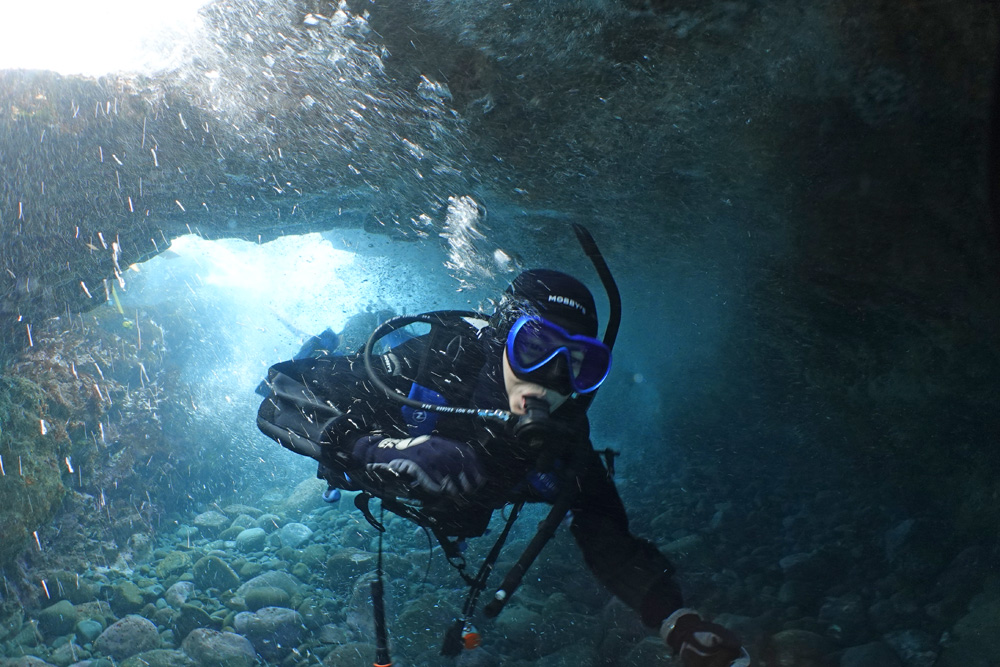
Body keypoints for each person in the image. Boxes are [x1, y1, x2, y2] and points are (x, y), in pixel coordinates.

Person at [257, 269, 750, 667]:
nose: (550, 378)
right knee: (338, 375)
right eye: (533, 348)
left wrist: (677, 621)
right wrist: (371, 449)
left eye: (577, 363)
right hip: (373, 440)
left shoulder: (562, 443)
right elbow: (278, 395)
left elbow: (608, 538)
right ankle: (328, 340)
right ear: (499, 340)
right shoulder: (437, 362)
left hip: (439, 495)